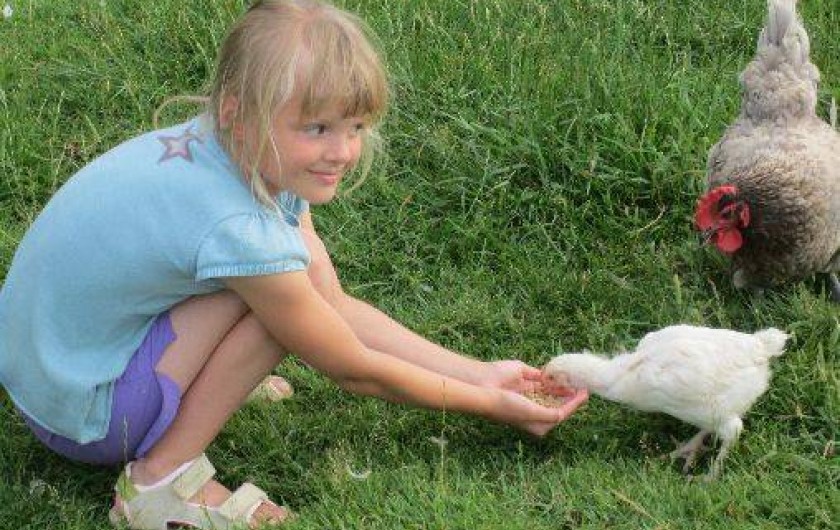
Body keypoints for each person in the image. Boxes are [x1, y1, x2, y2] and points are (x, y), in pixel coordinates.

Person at [0, 1, 588, 528]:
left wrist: (480, 372)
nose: (343, 151)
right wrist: (491, 406)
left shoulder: (237, 151)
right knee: (274, 308)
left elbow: (328, 301)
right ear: (239, 111)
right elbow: (351, 366)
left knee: (290, 292)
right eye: (318, 128)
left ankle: (197, 385)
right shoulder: (239, 229)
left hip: (52, 376)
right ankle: (157, 483)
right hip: (90, 416)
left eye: (356, 126)